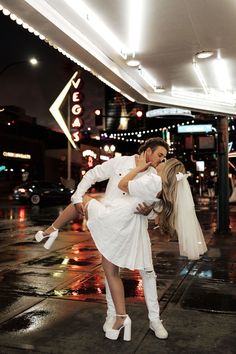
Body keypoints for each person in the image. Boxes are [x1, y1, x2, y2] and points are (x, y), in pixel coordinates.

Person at [35, 137, 169, 340]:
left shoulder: (155, 176)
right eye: (160, 155)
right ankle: (112, 315)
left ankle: (155, 320)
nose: (162, 160)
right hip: (112, 222)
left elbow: (156, 211)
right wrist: (77, 196)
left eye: (164, 157)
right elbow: (93, 174)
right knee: (111, 272)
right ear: (148, 151)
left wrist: (148, 212)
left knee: (148, 273)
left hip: (136, 228)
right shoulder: (120, 162)